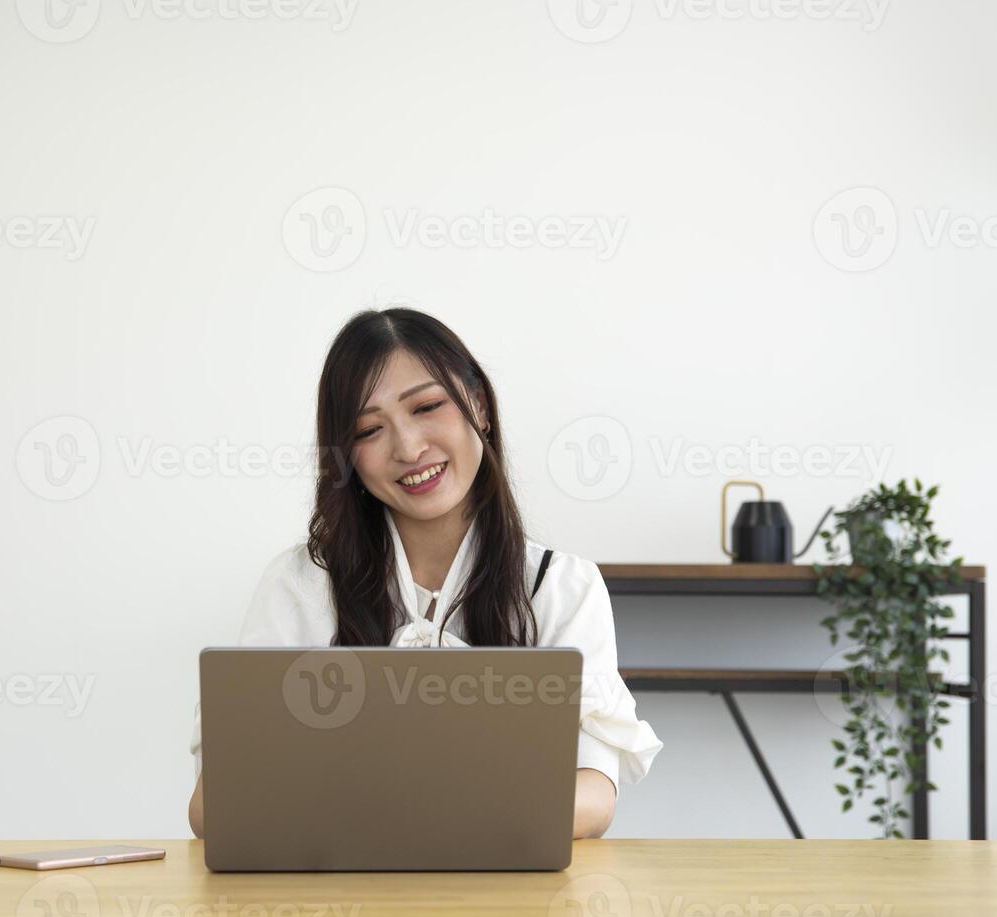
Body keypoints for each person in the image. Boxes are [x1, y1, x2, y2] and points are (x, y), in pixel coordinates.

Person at [188, 308, 662, 839]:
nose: (409, 448)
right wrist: (474, 809)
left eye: (428, 406)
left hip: (509, 909)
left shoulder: (559, 586)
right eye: (369, 429)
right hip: (340, 910)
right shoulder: (301, 585)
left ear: (478, 405)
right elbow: (215, 807)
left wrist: (382, 812)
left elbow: (594, 799)